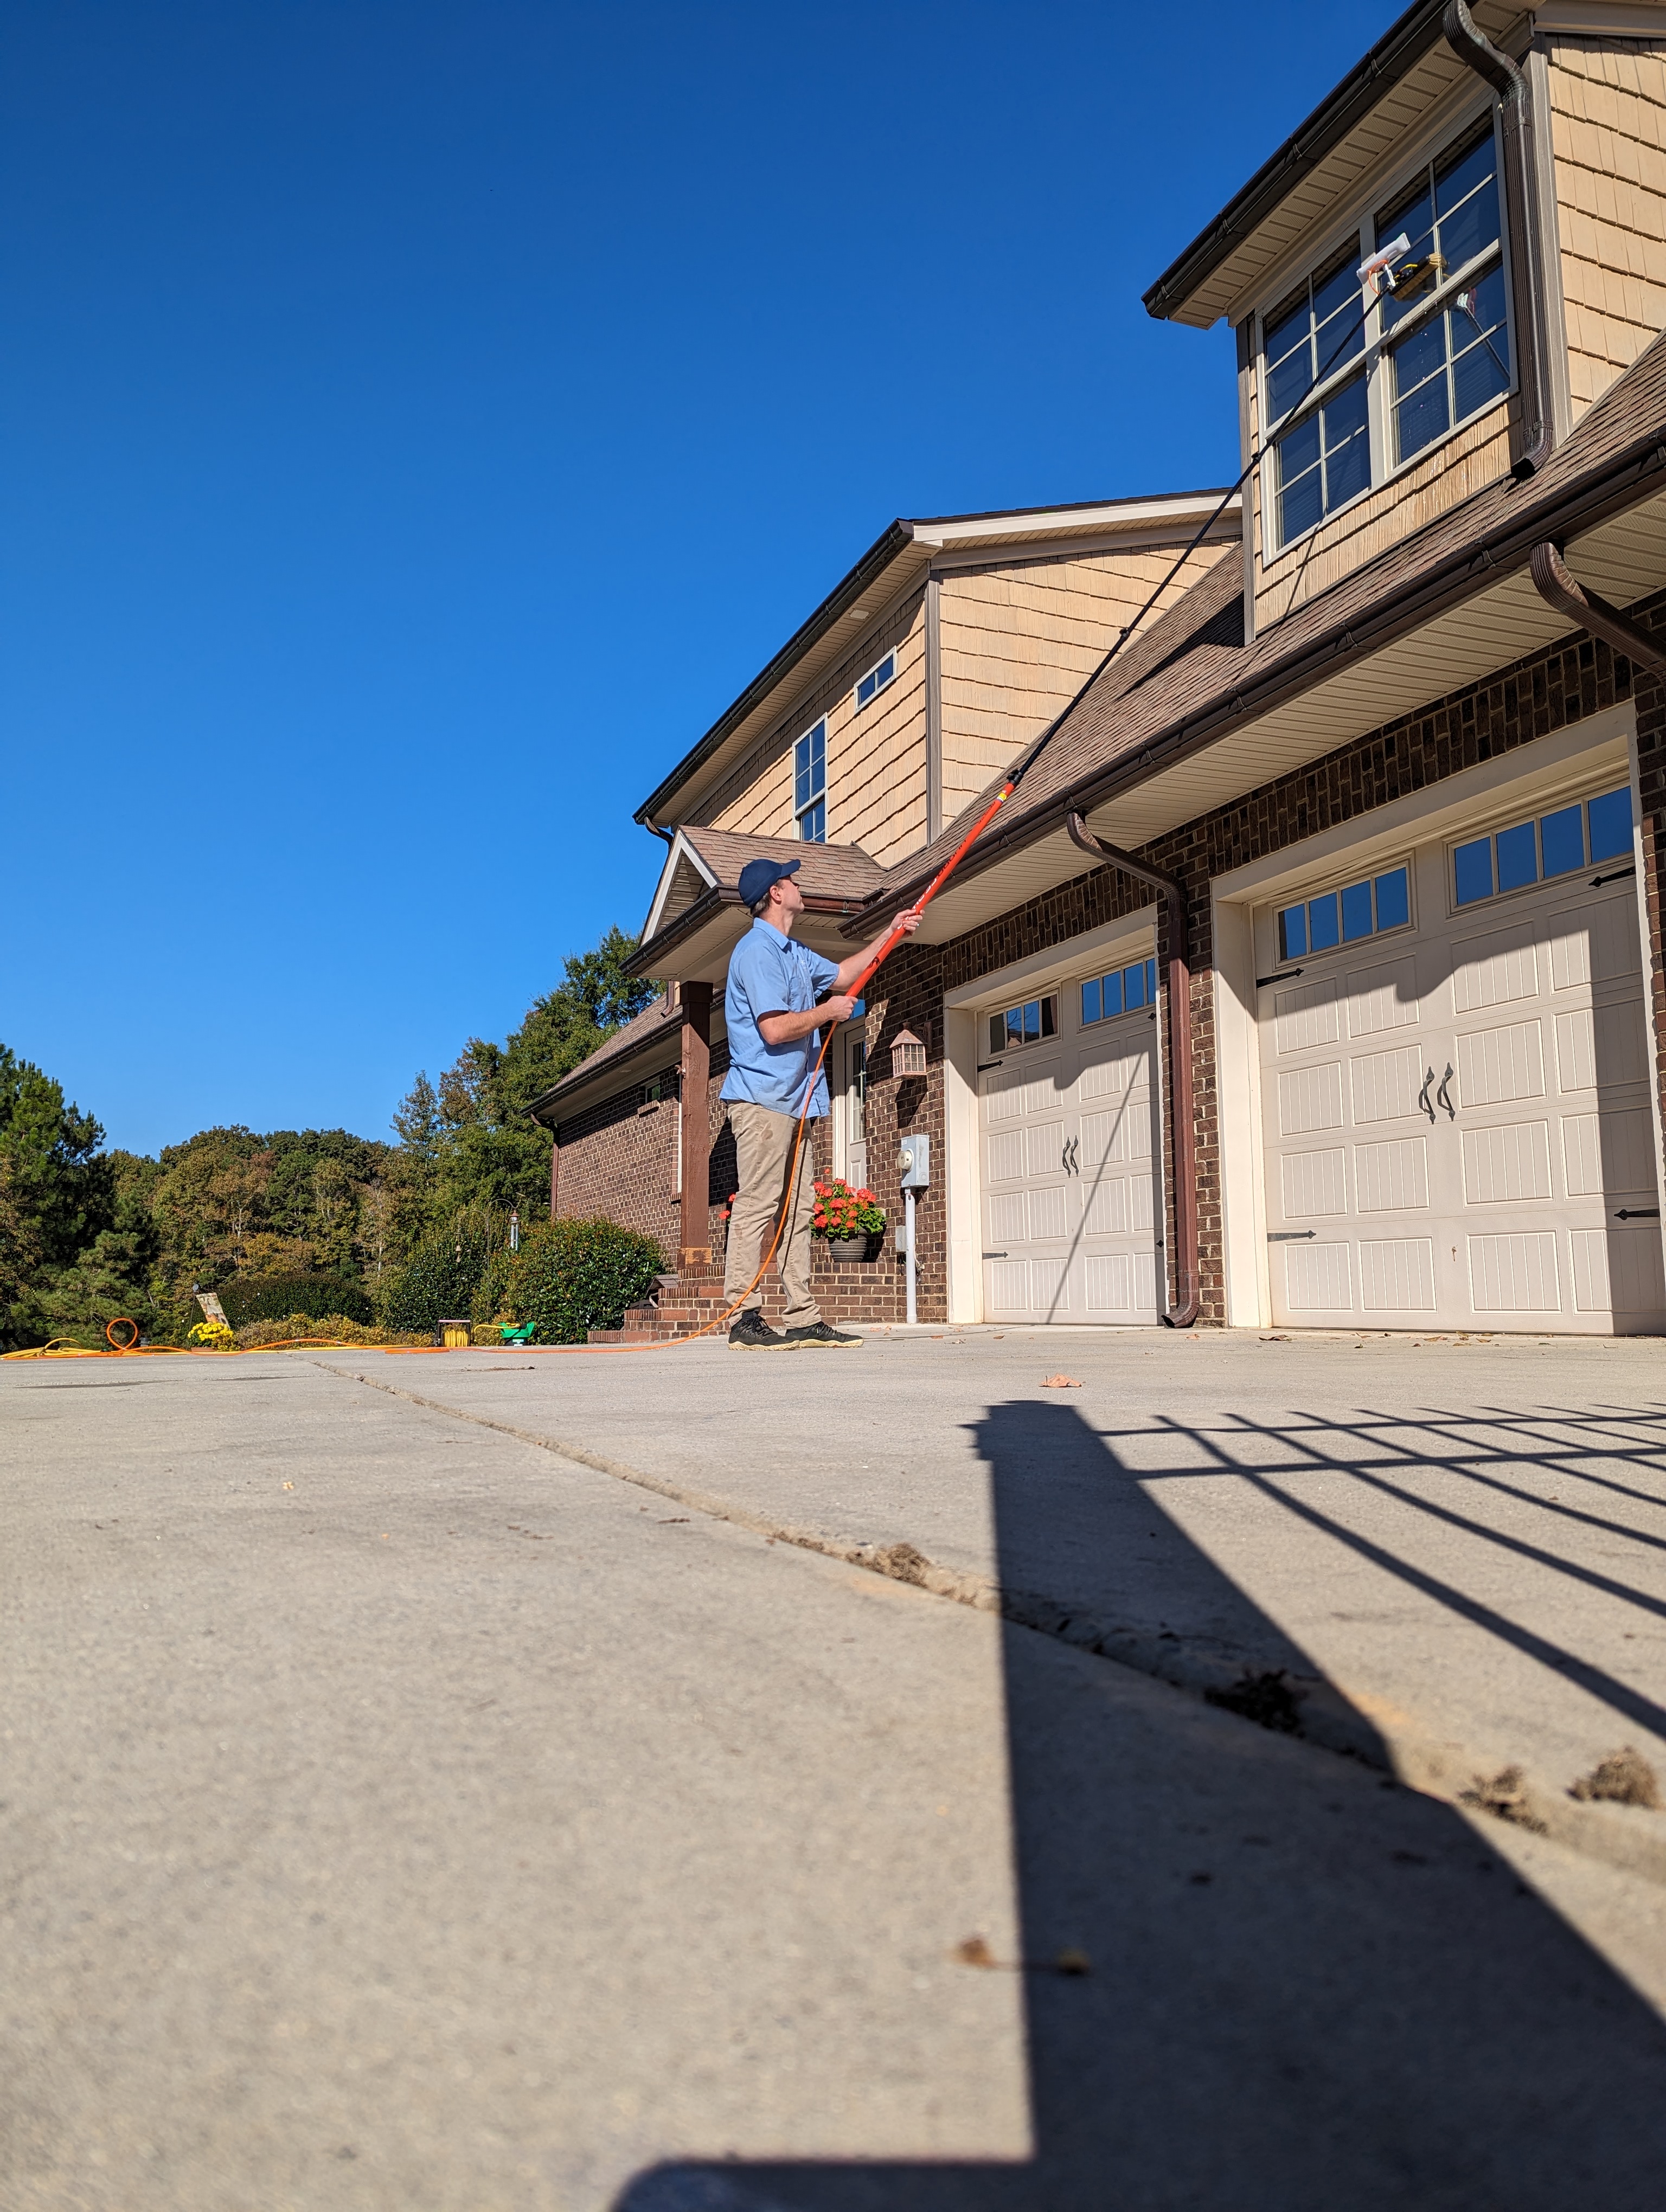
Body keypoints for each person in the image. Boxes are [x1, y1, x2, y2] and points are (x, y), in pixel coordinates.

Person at [720, 857, 921, 1349]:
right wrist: (827, 1012)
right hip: (763, 1101)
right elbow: (773, 1028)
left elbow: (848, 972)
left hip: (797, 1101)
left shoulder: (793, 951)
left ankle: (802, 1315)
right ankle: (743, 1318)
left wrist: (891, 933)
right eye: (791, 881)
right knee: (760, 1205)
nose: (798, 885)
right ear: (776, 894)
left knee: (800, 1209)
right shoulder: (757, 953)